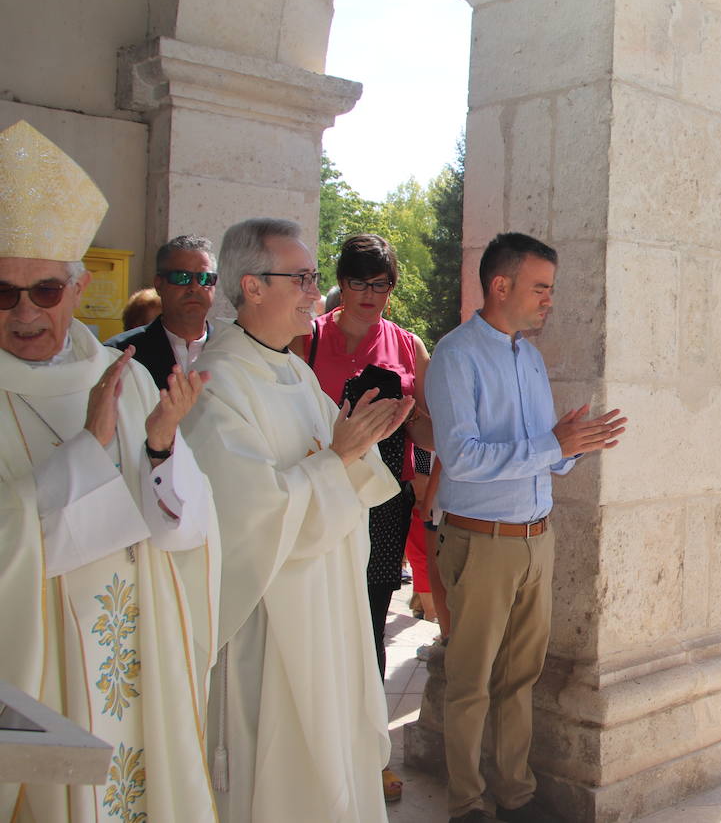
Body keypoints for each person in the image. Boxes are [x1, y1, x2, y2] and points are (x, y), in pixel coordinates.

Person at [0, 119, 217, 821]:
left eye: (45, 291)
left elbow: (189, 532)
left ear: (78, 285)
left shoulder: (124, 379)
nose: (25, 312)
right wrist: (84, 454)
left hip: (139, 650)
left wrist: (158, 447)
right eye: (3, 294)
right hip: (44, 670)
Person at [181, 217, 412, 822]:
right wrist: (339, 459)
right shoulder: (219, 383)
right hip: (272, 623)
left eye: (314, 279)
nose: (317, 293)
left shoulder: (293, 372)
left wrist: (358, 449)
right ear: (253, 287)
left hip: (326, 610)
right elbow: (247, 518)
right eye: (304, 278)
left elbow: (338, 475)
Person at [426, 233, 626, 823]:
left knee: (521, 677)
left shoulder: (529, 357)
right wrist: (551, 444)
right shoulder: (456, 356)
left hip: (536, 538)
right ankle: (465, 800)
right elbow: (460, 458)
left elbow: (543, 452)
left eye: (551, 290)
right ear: (500, 285)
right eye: (541, 288)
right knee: (470, 680)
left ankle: (514, 791)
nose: (548, 301)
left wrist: (573, 446)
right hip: (481, 540)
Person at [291, 233, 435, 804]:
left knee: (369, 621)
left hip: (382, 502)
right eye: (359, 282)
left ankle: (369, 755)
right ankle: (310, 747)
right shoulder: (307, 339)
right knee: (314, 615)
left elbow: (426, 429)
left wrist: (419, 424)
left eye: (381, 284)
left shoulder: (407, 344)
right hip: (318, 493)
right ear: (341, 282)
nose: (370, 294)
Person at [107, 235, 218, 388]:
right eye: (182, 277)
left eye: (205, 278)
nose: (194, 287)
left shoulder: (233, 351)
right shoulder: (118, 354)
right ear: (159, 284)